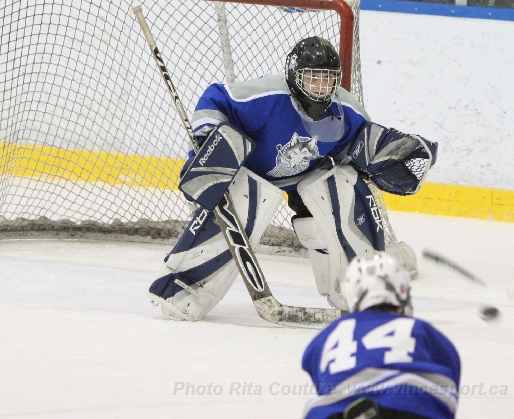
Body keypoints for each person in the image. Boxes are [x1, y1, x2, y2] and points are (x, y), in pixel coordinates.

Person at [148, 36, 437, 321]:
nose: (321, 87)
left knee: (347, 186)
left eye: (328, 79)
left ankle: (361, 293)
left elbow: (361, 147)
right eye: (313, 78)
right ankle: (184, 291)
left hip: (306, 179)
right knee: (241, 207)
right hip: (250, 175)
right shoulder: (267, 97)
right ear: (294, 76)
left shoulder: (346, 110)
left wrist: (392, 155)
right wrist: (206, 146)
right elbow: (215, 99)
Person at [301, 253, 461, 419]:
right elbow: (450, 378)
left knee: (318, 408)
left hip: (341, 410)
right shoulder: (420, 329)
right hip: (411, 404)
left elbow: (321, 379)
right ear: (402, 292)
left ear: (350, 295)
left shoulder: (329, 334)